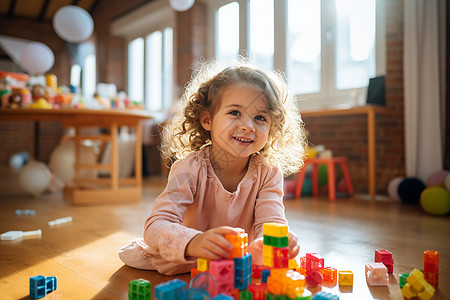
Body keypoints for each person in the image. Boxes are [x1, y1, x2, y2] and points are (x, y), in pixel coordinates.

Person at [119, 60, 307, 275]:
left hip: (239, 263)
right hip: (192, 259)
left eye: (260, 117)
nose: (248, 126)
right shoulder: (190, 169)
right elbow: (155, 226)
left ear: (272, 128)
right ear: (207, 120)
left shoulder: (268, 172)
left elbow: (270, 220)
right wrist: (194, 242)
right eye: (235, 112)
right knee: (137, 256)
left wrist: (272, 240)